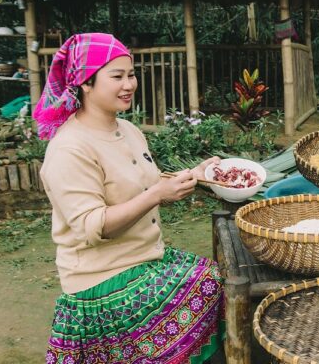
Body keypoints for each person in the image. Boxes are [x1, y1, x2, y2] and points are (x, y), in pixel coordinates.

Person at [34, 33, 223, 363]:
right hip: (101, 278)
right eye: (117, 76)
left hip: (145, 257)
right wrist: (157, 195)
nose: (129, 85)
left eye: (131, 74)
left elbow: (146, 185)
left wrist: (199, 173)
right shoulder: (70, 149)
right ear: (85, 83)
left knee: (219, 277)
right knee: (209, 284)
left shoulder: (128, 130)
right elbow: (95, 227)